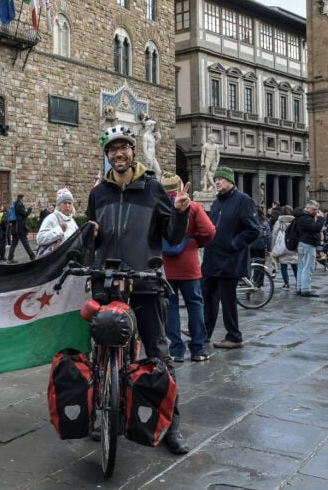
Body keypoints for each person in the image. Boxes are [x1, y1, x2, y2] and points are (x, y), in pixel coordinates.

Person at [86, 125, 192, 455]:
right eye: (112, 150)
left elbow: (173, 237)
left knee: (159, 354)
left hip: (145, 282)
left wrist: (180, 213)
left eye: (124, 148)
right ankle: (101, 413)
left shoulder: (153, 189)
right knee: (99, 352)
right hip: (107, 283)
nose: (119, 154)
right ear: (106, 155)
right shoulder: (97, 193)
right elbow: (92, 236)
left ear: (133, 151)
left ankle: (172, 425)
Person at [201, 167, 261, 349]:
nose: (217, 182)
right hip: (212, 258)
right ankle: (204, 331)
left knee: (227, 300)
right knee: (207, 296)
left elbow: (253, 229)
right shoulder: (218, 202)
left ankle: (234, 336)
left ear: (231, 181)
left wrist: (234, 244)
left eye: (221, 179)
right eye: (216, 179)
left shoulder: (243, 201)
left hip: (230, 260)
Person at [160, 172, 216, 363]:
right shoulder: (192, 206)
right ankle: (198, 348)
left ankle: (176, 350)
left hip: (165, 266)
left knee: (171, 307)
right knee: (195, 304)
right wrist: (195, 242)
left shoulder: (159, 207)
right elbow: (209, 231)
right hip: (189, 264)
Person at [294, 200, 325, 297]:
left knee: (301, 267)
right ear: (307, 208)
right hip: (308, 244)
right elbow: (315, 228)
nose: (316, 211)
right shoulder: (306, 217)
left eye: (317, 209)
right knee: (308, 267)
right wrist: (320, 219)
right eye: (314, 209)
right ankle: (305, 290)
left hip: (302, 244)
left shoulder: (300, 216)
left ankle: (300, 288)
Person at [35, 188, 78, 257]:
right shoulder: (51, 218)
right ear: (59, 205)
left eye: (69, 203)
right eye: (65, 203)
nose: (67, 205)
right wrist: (59, 230)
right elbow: (40, 239)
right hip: (54, 261)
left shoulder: (72, 220)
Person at [270, 205, 298, 290]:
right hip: (293, 245)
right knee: (295, 264)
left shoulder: (279, 221)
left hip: (282, 246)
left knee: (283, 265)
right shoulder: (295, 221)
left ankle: (286, 283)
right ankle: (298, 282)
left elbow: (274, 235)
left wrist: (273, 246)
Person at [7, 193, 34, 263]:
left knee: (13, 244)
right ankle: (32, 256)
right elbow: (25, 214)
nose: (24, 199)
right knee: (25, 243)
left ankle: (10, 258)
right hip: (19, 228)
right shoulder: (19, 205)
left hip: (14, 228)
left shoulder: (14, 204)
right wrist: (30, 208)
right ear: (21, 198)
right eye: (24, 198)